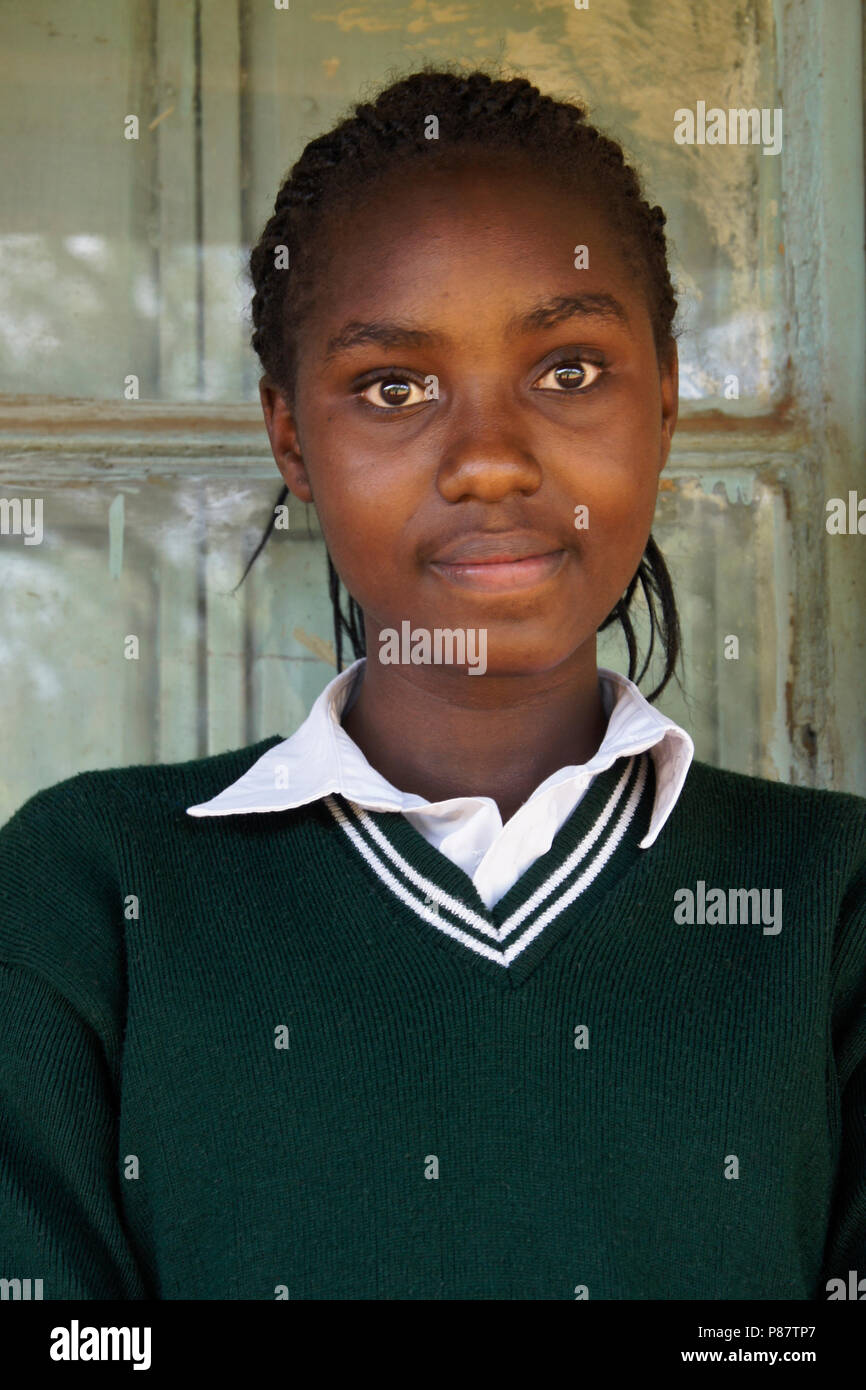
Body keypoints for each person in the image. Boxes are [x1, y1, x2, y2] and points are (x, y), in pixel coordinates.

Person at [1, 66, 864, 1302]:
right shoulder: (91, 893)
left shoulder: (828, 906)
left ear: (663, 396)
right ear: (291, 437)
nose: (491, 461)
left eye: (566, 369)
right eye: (393, 386)